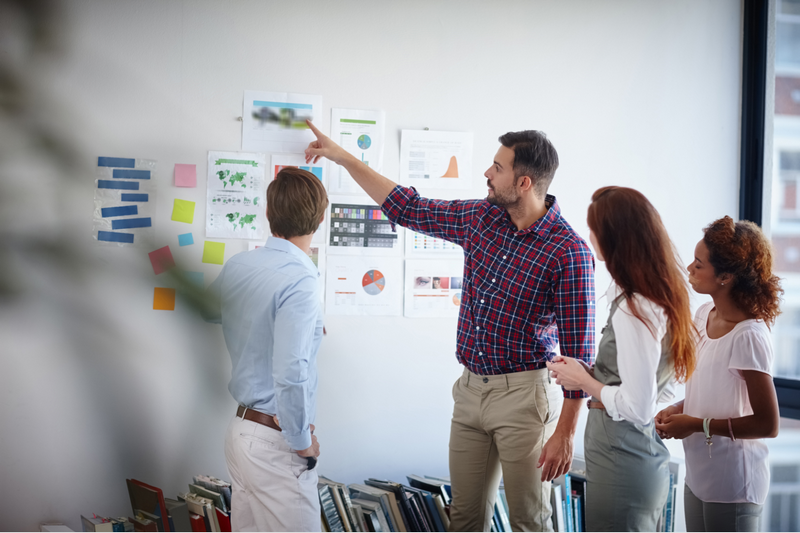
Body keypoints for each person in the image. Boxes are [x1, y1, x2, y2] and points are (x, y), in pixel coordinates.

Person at [305, 120, 595, 531]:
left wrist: (565, 432)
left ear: (524, 181)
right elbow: (408, 207)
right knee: (464, 518)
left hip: (526, 399)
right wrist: (344, 157)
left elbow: (580, 355)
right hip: (470, 390)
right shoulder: (481, 218)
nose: (487, 174)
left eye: (497, 167)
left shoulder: (569, 252)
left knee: (529, 521)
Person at [546, 186, 696, 531]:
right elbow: (660, 385)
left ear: (613, 239)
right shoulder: (662, 296)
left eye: (593, 228)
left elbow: (639, 406)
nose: (589, 235)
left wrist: (584, 381)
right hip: (632, 454)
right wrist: (592, 374)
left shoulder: (634, 308)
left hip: (622, 457)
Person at [202, 167, 328, 532]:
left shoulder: (242, 264)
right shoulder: (301, 278)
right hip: (275, 443)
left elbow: (209, 310)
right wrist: (302, 441)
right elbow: (291, 371)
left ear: (269, 214)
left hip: (241, 433)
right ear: (321, 218)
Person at [655, 216, 781, 532]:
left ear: (724, 276)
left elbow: (768, 424)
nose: (689, 269)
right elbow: (714, 390)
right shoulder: (703, 315)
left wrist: (695, 424)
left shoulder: (748, 335)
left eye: (699, 264)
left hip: (734, 485)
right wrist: (678, 409)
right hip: (699, 475)